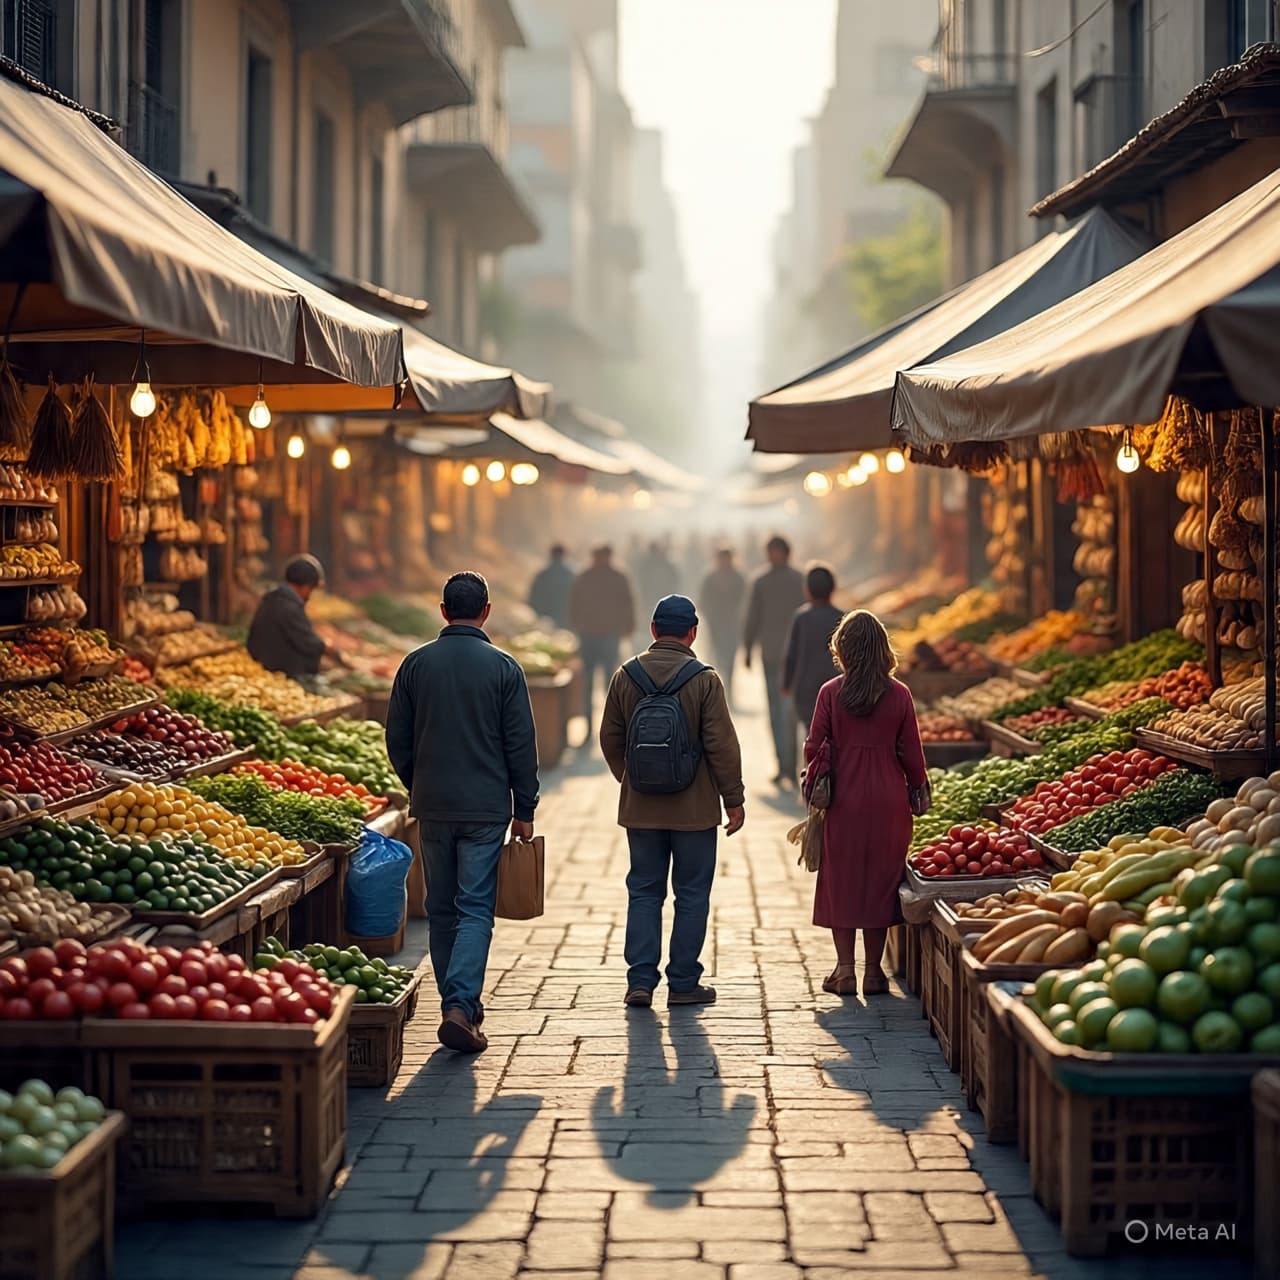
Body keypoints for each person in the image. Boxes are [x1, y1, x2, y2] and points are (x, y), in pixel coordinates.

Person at [385, 571, 540, 1054]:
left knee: (442, 909)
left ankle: (456, 1005)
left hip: (433, 806)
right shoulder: (504, 668)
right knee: (475, 908)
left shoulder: (415, 665)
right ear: (486, 611)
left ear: (443, 610)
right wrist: (525, 805)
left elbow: (397, 740)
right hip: (486, 808)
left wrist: (419, 782)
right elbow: (521, 744)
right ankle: (460, 1005)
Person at [600, 595, 745, 1009]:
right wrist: (732, 799)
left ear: (653, 630)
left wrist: (631, 779)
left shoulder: (626, 676)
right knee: (692, 893)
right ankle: (683, 983)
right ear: (693, 633)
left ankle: (640, 982)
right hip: (694, 811)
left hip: (641, 809)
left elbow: (610, 737)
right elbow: (722, 746)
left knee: (644, 891)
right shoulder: (704, 679)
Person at [805, 610, 926, 998]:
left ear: (843, 649)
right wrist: (919, 787)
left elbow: (813, 747)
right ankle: (874, 973)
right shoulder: (900, 695)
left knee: (842, 881)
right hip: (889, 800)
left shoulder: (830, 692)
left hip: (844, 800)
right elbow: (912, 752)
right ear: (882, 649)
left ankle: (844, 971)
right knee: (880, 882)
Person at [742, 535, 805, 786]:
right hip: (769, 654)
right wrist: (747, 648)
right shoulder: (760, 581)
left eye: (776, 551)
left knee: (788, 711)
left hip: (794, 657)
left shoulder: (799, 580)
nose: (772, 556)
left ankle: (791, 764)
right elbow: (752, 617)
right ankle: (782, 764)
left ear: (785, 553)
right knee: (775, 710)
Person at [246, 554, 345, 682]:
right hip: (282, 674)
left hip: (268, 669)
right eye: (311, 589)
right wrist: (332, 650)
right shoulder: (288, 606)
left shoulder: (273, 599)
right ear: (305, 586)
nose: (310, 595)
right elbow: (309, 643)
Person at [570, 545, 636, 723]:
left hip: (605, 634)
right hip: (594, 634)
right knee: (592, 683)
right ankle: (594, 724)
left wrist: (628, 626)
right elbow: (574, 604)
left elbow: (628, 603)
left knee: (609, 681)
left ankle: (610, 723)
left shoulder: (592, 576)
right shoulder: (612, 576)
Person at [781, 564, 844, 730]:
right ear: (833, 588)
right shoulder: (842, 618)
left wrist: (787, 684)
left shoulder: (801, 618)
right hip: (837, 688)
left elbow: (791, 655)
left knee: (812, 732)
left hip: (806, 690)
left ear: (807, 589)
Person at [699, 548, 746, 701]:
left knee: (731, 658)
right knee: (717, 658)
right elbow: (702, 601)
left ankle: (729, 690)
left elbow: (745, 600)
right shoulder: (711, 578)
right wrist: (709, 615)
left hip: (732, 625)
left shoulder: (738, 577)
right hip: (716, 625)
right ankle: (717, 691)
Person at [632, 540, 681, 647]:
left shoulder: (665, 566)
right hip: (653, 601)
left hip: (659, 601)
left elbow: (674, 582)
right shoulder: (647, 566)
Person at [528, 544, 574, 628]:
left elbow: (533, 597)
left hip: (544, 617)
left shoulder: (543, 574)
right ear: (564, 555)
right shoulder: (571, 574)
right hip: (564, 617)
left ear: (551, 555)